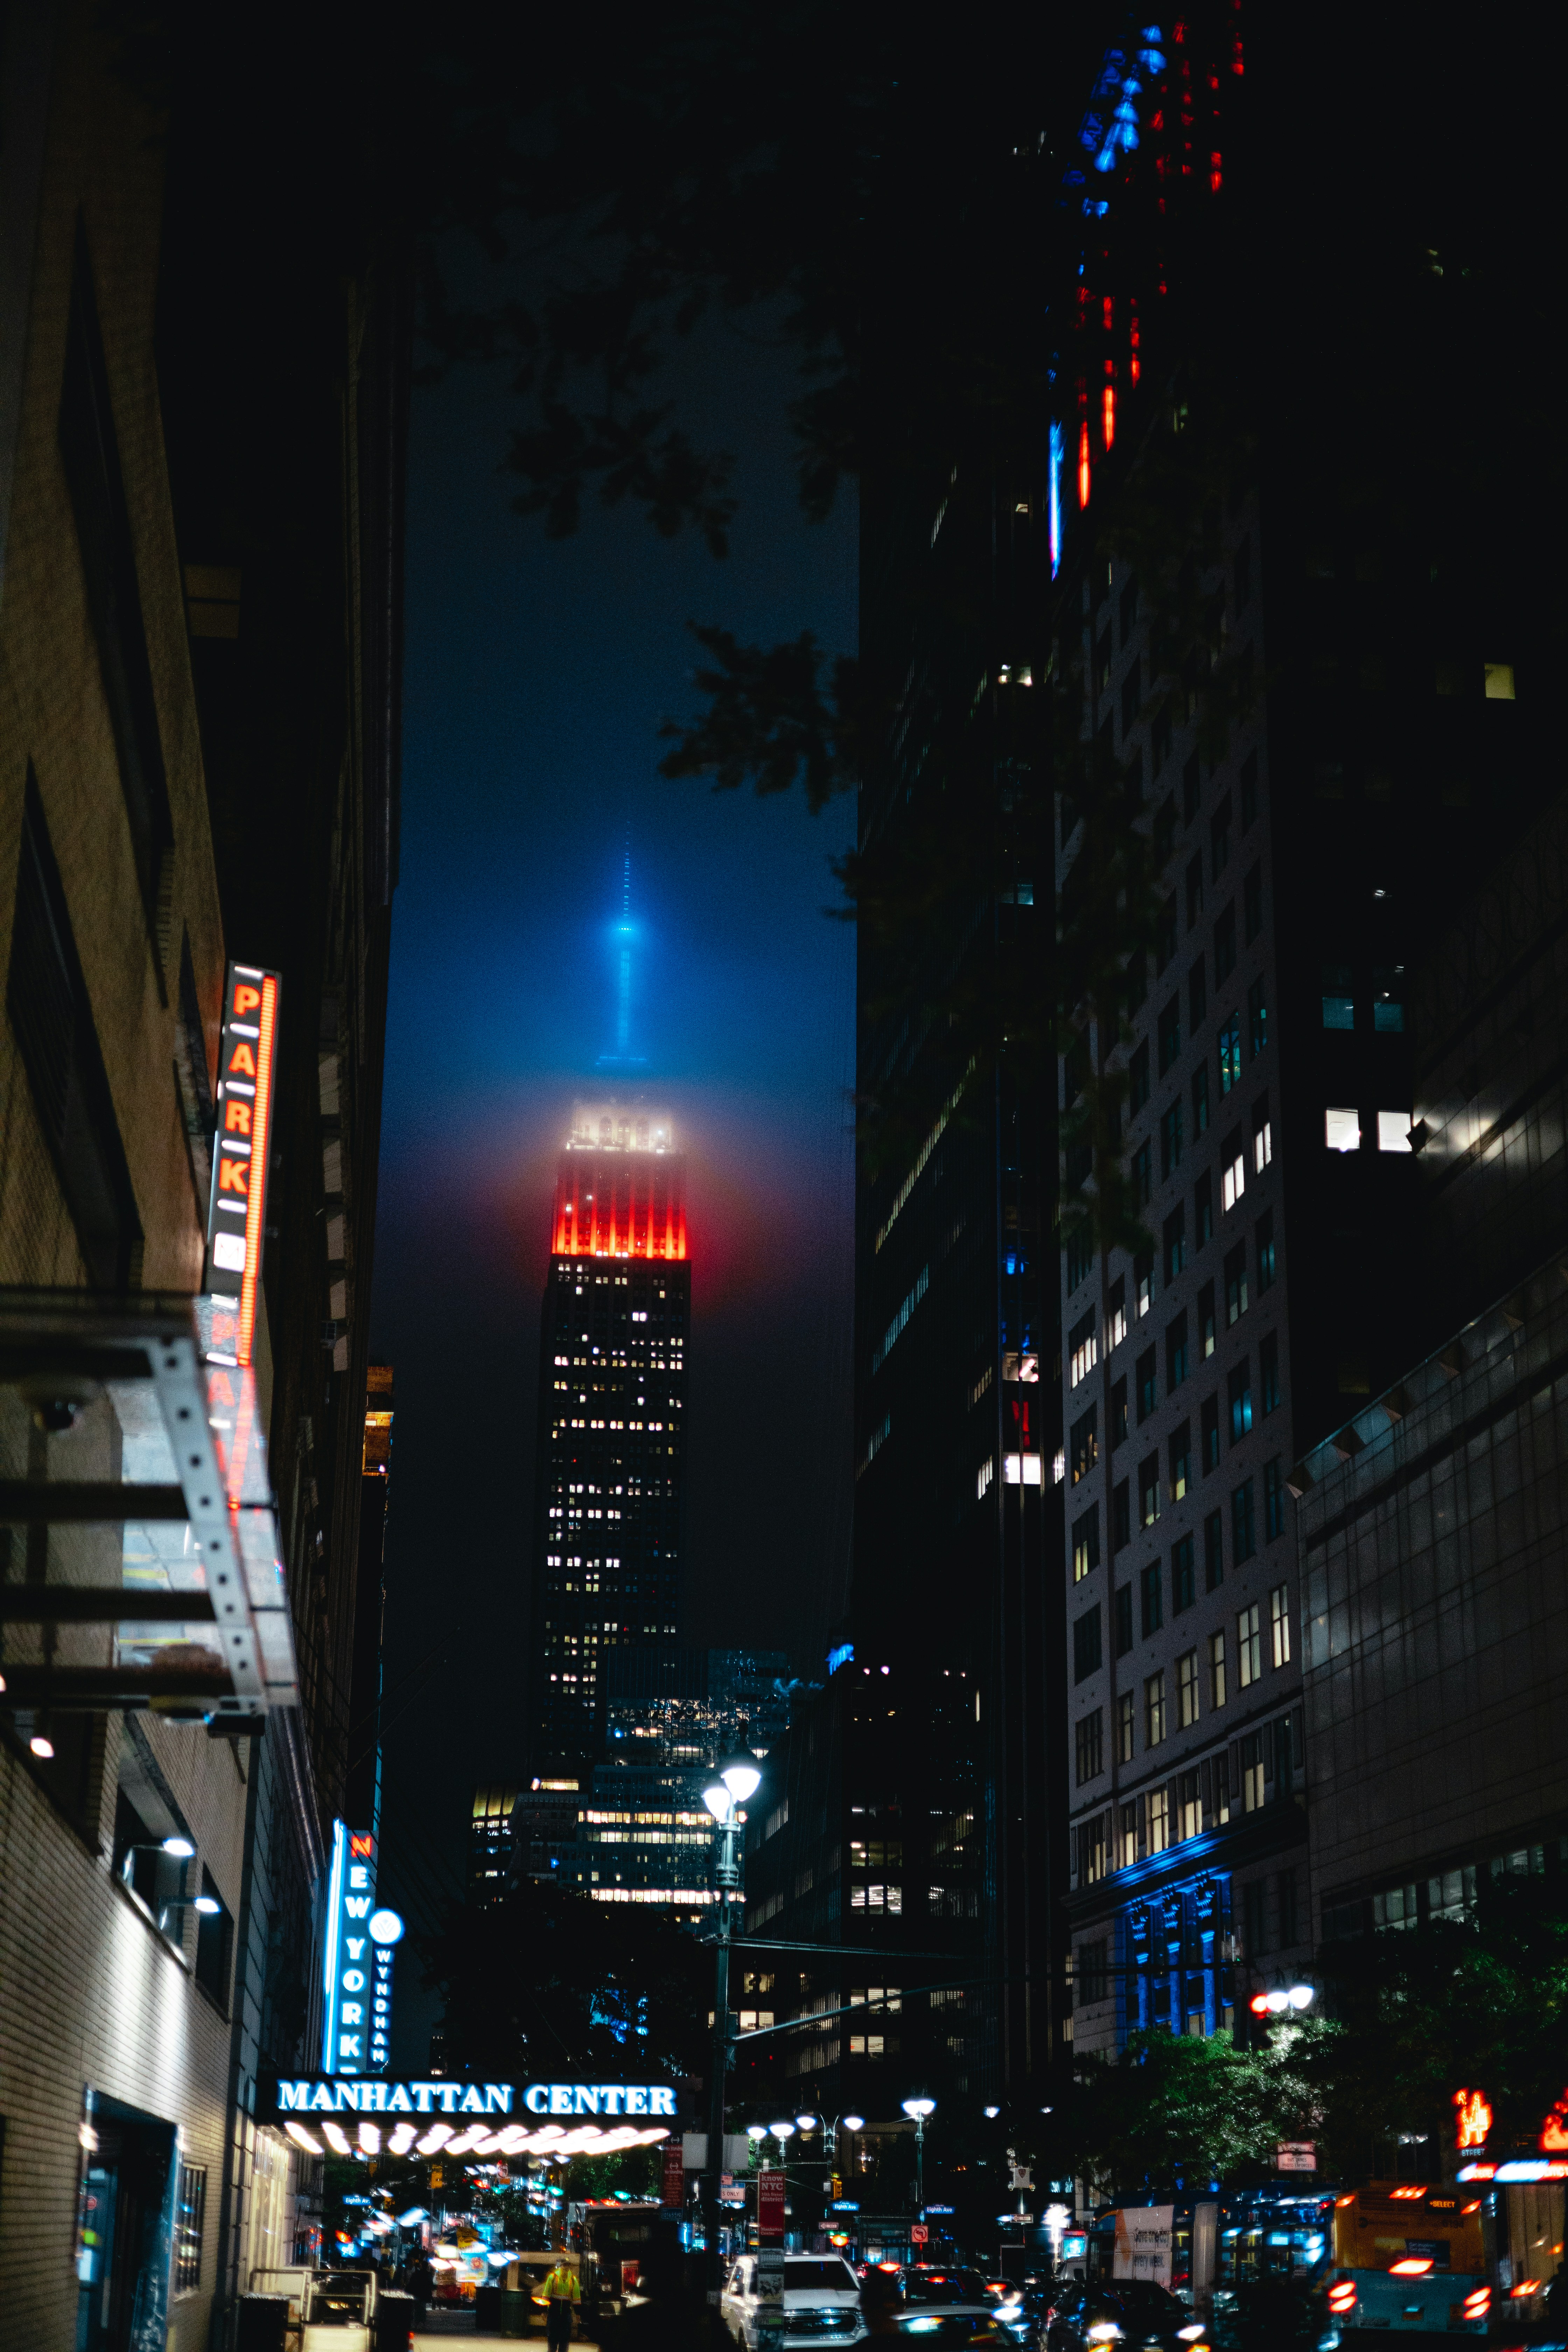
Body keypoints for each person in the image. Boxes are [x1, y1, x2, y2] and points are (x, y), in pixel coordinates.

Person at [543, 2254, 582, 2349]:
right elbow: (546, 2295)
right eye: (565, 2265)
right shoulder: (552, 2278)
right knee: (553, 2337)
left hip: (566, 2314)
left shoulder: (573, 2280)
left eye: (568, 2265)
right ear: (560, 2266)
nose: (567, 2267)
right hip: (553, 2313)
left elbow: (577, 2298)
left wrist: (578, 2314)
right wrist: (544, 2312)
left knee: (565, 2338)